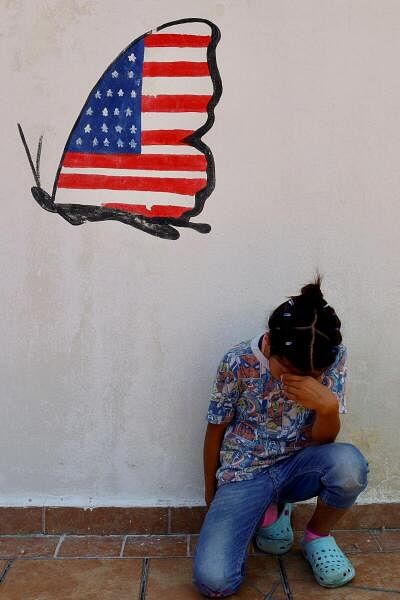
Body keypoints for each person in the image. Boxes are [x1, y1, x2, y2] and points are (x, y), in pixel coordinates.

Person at [192, 275, 369, 597]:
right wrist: (211, 495)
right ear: (270, 343)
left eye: (310, 377)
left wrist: (327, 408)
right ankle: (271, 508)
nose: (295, 380)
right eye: (286, 369)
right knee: (214, 583)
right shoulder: (237, 361)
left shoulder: (332, 356)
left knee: (349, 465)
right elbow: (215, 428)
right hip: (245, 470)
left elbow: (322, 446)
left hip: (300, 463)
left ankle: (317, 536)